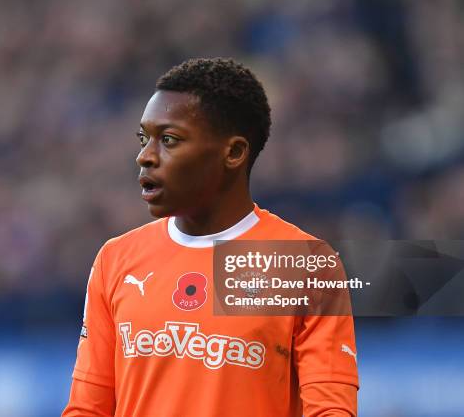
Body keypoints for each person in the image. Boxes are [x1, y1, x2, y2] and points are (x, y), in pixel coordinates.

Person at [62, 58, 358, 417]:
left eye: (169, 140)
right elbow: (87, 408)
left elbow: (330, 410)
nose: (145, 156)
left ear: (233, 152)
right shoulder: (116, 259)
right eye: (145, 139)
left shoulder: (304, 264)